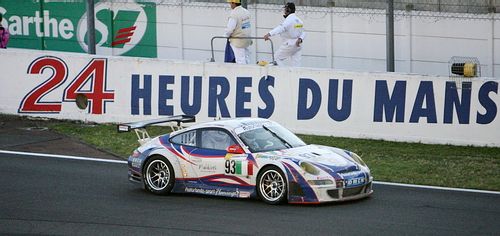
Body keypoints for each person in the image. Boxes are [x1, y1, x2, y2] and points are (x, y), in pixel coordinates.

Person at [263, 2, 305, 66]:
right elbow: (303, 32)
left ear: (289, 10)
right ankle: (295, 75)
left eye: (285, 9)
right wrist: (300, 39)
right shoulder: (299, 21)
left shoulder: (289, 20)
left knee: (276, 58)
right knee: (296, 64)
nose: (284, 11)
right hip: (298, 44)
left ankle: (283, 74)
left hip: (290, 44)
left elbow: (281, 28)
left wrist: (269, 34)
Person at [224, 0, 252, 64]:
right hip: (246, 39)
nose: (230, 5)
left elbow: (229, 29)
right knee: (246, 58)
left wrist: (226, 35)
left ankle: (242, 73)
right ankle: (249, 73)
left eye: (230, 3)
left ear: (234, 3)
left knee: (240, 60)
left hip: (237, 41)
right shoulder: (246, 12)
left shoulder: (234, 14)